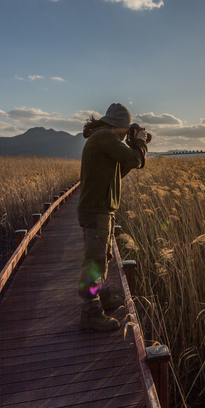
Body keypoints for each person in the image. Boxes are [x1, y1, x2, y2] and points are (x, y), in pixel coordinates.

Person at [77, 103, 148, 331]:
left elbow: (122, 170)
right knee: (95, 261)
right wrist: (139, 143)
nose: (128, 133)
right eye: (128, 129)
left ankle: (104, 299)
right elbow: (136, 160)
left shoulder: (104, 139)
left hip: (100, 210)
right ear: (120, 125)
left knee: (103, 257)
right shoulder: (105, 137)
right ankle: (90, 313)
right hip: (97, 211)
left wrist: (135, 145)